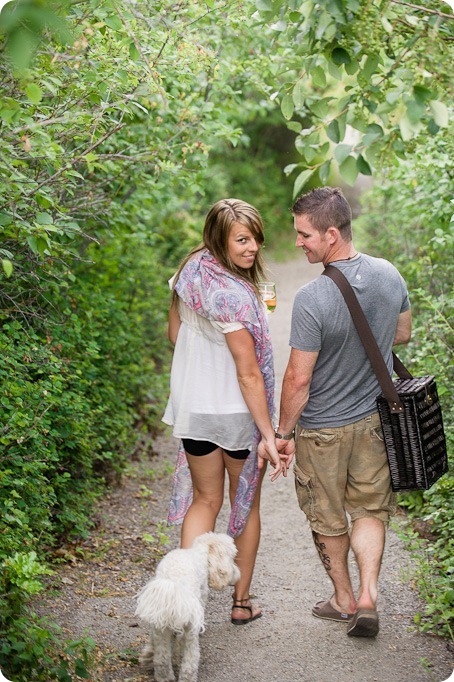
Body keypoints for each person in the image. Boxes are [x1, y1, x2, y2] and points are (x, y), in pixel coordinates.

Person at [275, 187, 412, 637]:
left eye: (305, 235)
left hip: (322, 433)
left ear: (331, 234)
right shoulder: (389, 274)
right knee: (370, 510)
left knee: (327, 516)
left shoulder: (314, 298)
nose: (299, 243)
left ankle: (344, 598)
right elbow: (403, 334)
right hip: (375, 423)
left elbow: (298, 379)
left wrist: (282, 433)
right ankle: (370, 596)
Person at [163, 198, 284, 625]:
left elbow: (175, 334)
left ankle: (182, 599)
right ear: (220, 238)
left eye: (255, 238)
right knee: (244, 506)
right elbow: (249, 374)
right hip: (235, 414)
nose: (253, 248)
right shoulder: (232, 295)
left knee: (205, 499)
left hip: (194, 408)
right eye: (243, 240)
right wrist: (269, 434)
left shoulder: (189, 271)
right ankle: (241, 602)